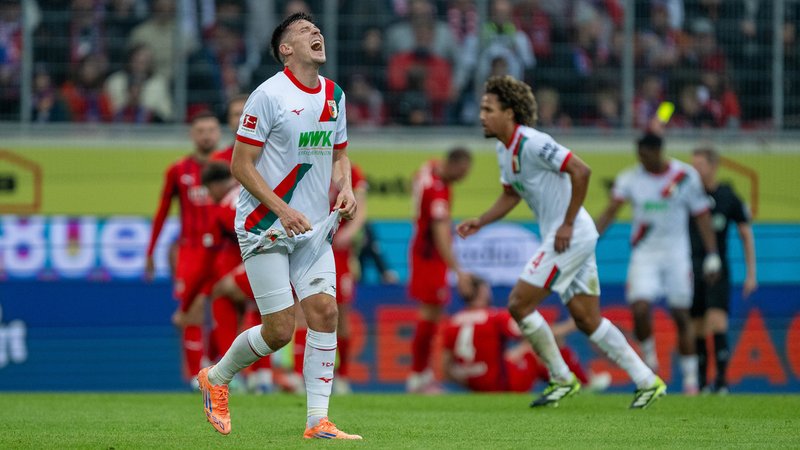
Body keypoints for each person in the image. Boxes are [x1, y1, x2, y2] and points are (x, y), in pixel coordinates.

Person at [197, 13, 362, 440]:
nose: (317, 33)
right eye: (306, 31)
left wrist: (344, 188)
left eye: (318, 30)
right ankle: (216, 377)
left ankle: (317, 420)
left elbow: (341, 155)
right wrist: (282, 210)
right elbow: (239, 164)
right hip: (264, 224)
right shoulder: (268, 95)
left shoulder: (335, 96)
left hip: (312, 229)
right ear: (285, 49)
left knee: (325, 311)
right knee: (280, 330)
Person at [457, 75, 664, 409]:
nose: (481, 115)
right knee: (586, 318)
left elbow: (581, 171)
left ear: (509, 113)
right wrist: (482, 220)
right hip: (568, 236)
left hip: (570, 236)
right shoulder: (503, 150)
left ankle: (562, 377)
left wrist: (567, 224)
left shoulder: (534, 142)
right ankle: (646, 380)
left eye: (488, 108)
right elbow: (511, 194)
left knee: (518, 304)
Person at [595, 133, 722, 395]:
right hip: (645, 254)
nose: (642, 160)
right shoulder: (630, 178)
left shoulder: (685, 177)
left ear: (659, 151)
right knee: (639, 308)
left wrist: (712, 254)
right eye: (639, 155)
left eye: (646, 154)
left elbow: (701, 216)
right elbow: (610, 211)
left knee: (680, 315)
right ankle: (650, 362)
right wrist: (588, 240)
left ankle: (690, 381)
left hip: (676, 254)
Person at [145, 111, 220, 384]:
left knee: (225, 308)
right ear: (192, 135)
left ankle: (216, 369)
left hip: (223, 250)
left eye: (211, 130)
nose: (206, 135)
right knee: (194, 310)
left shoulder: (230, 166)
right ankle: (194, 378)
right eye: (200, 130)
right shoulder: (178, 171)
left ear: (218, 133)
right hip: (191, 250)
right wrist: (151, 251)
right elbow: (162, 211)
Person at [442, 275, 597, 393]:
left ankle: (568, 385)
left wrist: (471, 381)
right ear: (482, 291)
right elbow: (537, 334)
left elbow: (446, 368)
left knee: (520, 350)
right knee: (544, 346)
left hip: (473, 383)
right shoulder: (494, 317)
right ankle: (584, 384)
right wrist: (571, 325)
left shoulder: (452, 322)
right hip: (499, 384)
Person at [690, 147, 757, 394]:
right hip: (690, 268)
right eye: (692, 164)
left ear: (713, 166)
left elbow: (745, 233)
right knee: (696, 326)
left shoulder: (728, 196)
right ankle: (700, 383)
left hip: (717, 269)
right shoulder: (687, 194)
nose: (694, 169)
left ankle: (721, 382)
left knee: (717, 322)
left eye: (699, 164)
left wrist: (751, 273)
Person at [406, 147, 473, 393]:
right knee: (429, 315)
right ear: (454, 164)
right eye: (462, 172)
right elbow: (440, 232)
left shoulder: (431, 168)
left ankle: (421, 374)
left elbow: (419, 174)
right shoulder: (437, 190)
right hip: (429, 256)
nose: (462, 178)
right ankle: (418, 377)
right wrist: (458, 270)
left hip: (423, 251)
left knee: (432, 316)